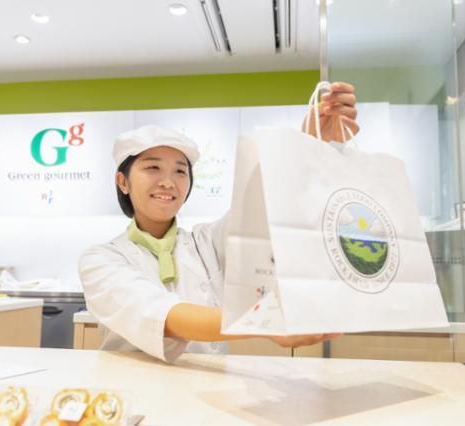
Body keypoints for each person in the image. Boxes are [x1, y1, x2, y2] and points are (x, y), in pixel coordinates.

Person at [79, 82, 359, 363]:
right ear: (122, 181)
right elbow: (164, 316)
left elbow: (264, 209)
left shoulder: (205, 242)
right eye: (153, 167)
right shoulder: (101, 260)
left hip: (210, 385)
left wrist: (309, 146)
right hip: (131, 386)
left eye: (180, 171)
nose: (168, 182)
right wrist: (262, 323)